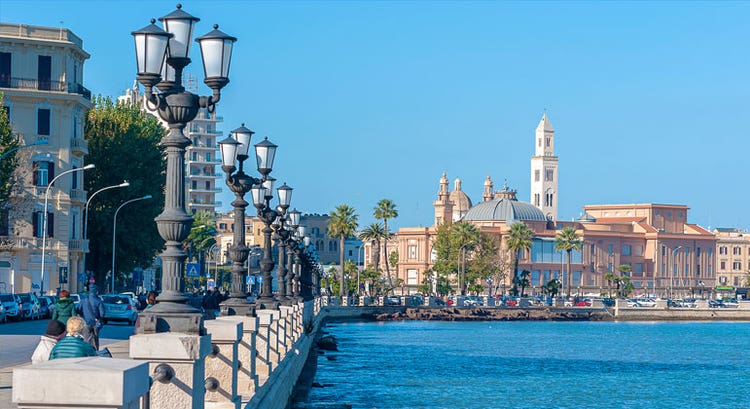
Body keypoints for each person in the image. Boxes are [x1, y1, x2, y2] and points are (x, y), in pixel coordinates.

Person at [80, 285, 105, 350]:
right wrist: (99, 318)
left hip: (86, 322)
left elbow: (78, 309)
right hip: (95, 323)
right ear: (96, 291)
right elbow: (102, 314)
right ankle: (96, 351)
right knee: (95, 338)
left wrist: (83, 315)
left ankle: (87, 351)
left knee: (86, 338)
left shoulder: (84, 300)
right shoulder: (98, 301)